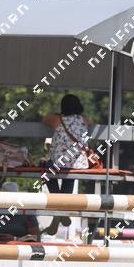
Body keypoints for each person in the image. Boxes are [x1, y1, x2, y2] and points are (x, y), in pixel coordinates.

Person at [41, 94, 92, 234]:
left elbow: (44, 119)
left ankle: (58, 211)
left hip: (58, 162)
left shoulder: (56, 119)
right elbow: (91, 122)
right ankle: (61, 211)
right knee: (70, 174)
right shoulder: (84, 119)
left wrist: (57, 114)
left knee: (46, 170)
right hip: (78, 162)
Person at [0, 181, 40, 267]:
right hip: (1, 254)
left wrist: (14, 239)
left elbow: (35, 237)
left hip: (20, 255)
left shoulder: (26, 212)